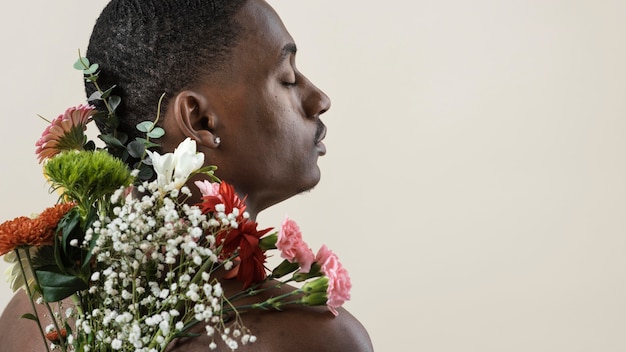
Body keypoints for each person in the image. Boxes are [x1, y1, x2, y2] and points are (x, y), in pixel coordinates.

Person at [0, 0, 373, 351]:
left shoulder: (31, 316)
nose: (319, 99)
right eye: (288, 78)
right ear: (200, 120)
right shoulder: (312, 338)